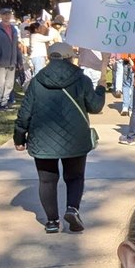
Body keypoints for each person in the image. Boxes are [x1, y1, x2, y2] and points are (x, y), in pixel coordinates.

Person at [13, 42, 107, 234]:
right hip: (75, 138)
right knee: (75, 177)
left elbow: (25, 113)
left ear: (49, 57)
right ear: (70, 57)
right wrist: (101, 88)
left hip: (42, 138)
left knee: (47, 181)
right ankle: (72, 209)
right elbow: (95, 106)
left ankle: (52, 222)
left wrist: (19, 136)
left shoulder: (37, 81)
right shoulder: (82, 80)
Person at [0, 6, 23, 109]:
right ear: (0, 16)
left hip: (12, 61)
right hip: (0, 61)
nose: (7, 16)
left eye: (9, 14)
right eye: (5, 14)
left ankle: (4, 103)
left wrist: (19, 61)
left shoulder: (13, 29)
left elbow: (16, 47)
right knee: (1, 84)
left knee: (9, 84)